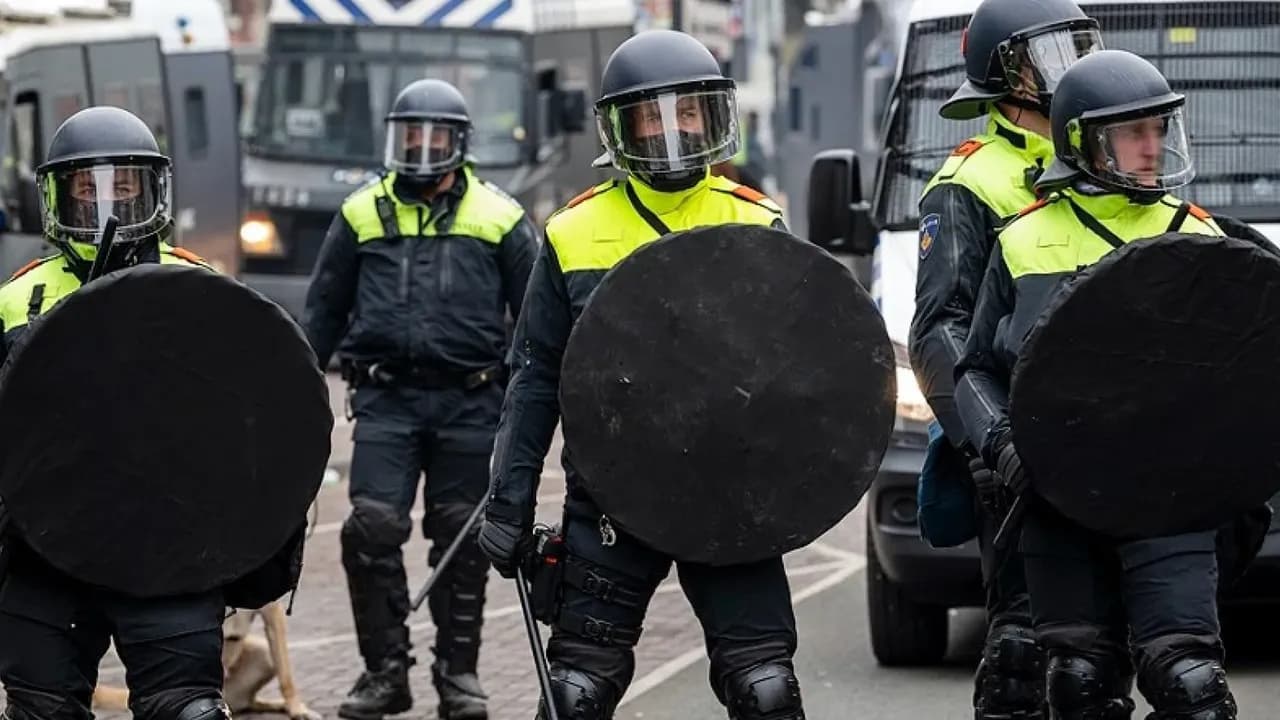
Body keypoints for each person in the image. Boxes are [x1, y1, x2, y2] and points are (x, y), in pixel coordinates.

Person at [477, 29, 801, 720]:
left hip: (729, 498)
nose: (671, 130)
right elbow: (535, 376)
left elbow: (801, 372)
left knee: (765, 688)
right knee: (576, 694)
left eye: (686, 111)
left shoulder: (756, 221)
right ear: (621, 129)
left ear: (711, 116)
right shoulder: (572, 233)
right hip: (613, 498)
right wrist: (508, 500)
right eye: (652, 116)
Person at [955, 50, 1237, 719]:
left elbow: (1241, 367)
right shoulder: (1023, 240)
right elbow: (974, 371)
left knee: (1191, 682)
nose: (1152, 146)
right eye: (1133, 132)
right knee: (1077, 681)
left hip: (1170, 496)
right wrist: (1002, 444)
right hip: (1061, 497)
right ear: (1084, 141)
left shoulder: (1197, 234)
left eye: (1158, 128)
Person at [302, 78, 539, 720]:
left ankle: (458, 676)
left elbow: (538, 319)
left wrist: (532, 397)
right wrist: (291, 396)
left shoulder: (500, 216)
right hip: (386, 401)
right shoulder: (360, 213)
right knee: (370, 530)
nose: (422, 149)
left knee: (461, 538)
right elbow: (322, 313)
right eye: (411, 136)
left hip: (472, 403)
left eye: (436, 138)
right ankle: (385, 672)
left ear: (460, 144)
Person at [0, 106, 234, 720]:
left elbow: (253, 421)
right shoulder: (16, 300)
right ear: (57, 197)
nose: (106, 205)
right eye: (87, 189)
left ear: (153, 190)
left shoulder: (200, 290)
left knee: (187, 711)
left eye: (123, 186)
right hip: (44, 550)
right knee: (40, 711)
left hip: (167, 548)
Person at [907, 0, 1103, 716]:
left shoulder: (1110, 155)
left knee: (1106, 656)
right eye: (1052, 53)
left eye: (1080, 48)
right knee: (1025, 653)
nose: (1074, 68)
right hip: (1020, 450)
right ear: (1004, 73)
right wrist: (988, 444)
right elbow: (940, 331)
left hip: (1111, 437)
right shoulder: (971, 181)